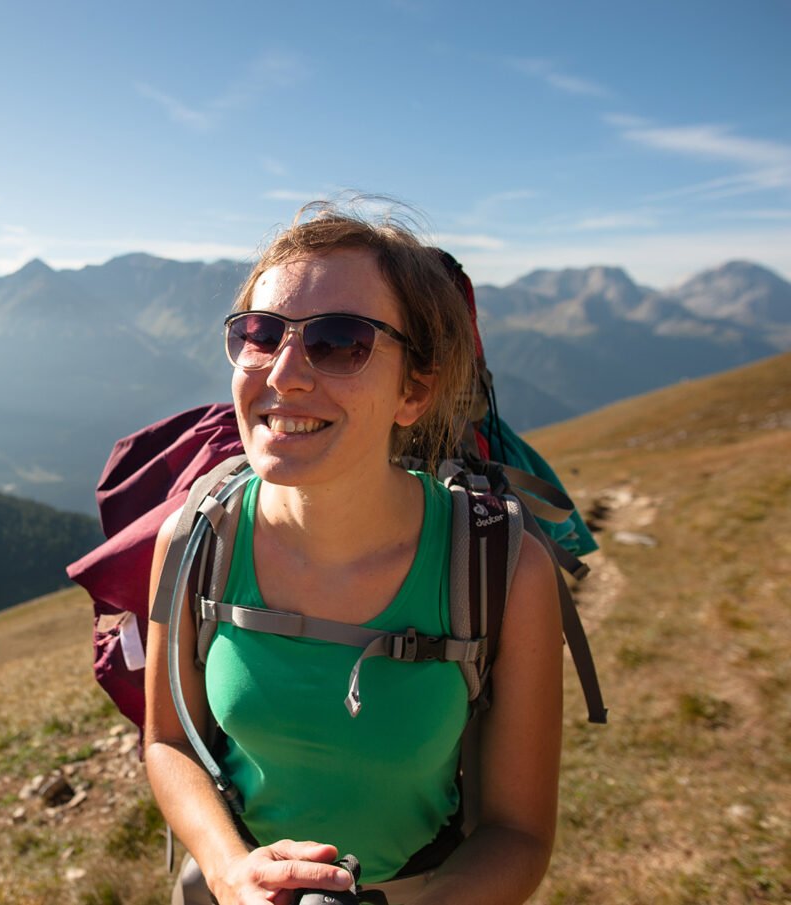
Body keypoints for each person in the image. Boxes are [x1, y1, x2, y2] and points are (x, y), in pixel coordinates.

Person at [143, 203, 563, 905]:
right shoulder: (193, 541)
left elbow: (518, 832)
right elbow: (167, 742)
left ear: (415, 390)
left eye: (339, 342)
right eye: (259, 333)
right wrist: (227, 869)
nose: (283, 373)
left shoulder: (504, 569)